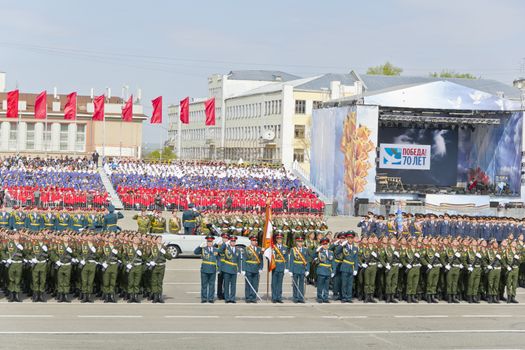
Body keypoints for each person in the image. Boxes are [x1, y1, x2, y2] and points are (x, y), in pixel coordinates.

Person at [146, 236, 173, 303]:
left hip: (161, 266)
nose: (160, 240)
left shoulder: (164, 248)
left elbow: (170, 257)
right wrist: (150, 262)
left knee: (160, 282)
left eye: (161, 239)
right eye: (158, 239)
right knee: (154, 282)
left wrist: (165, 253)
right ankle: (155, 297)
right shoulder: (152, 248)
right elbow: (147, 257)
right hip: (155, 267)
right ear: (155, 240)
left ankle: (159, 296)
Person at [194, 235, 220, 303]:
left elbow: (219, 259)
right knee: (204, 285)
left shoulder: (216, 250)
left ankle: (211, 298)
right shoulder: (203, 249)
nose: (209, 243)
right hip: (205, 269)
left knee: (212, 285)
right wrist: (200, 246)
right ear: (206, 242)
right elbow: (195, 252)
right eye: (208, 241)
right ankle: (204, 298)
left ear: (212, 242)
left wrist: (218, 268)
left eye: (211, 242)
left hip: (213, 269)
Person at [218, 235, 242, 303]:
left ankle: (232, 298)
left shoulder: (238, 250)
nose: (233, 242)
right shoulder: (226, 248)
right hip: (226, 269)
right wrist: (224, 244)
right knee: (226, 284)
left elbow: (239, 261)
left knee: (233, 285)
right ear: (230, 242)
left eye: (234, 241)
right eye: (232, 241)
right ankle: (227, 298)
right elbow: (219, 251)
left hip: (234, 269)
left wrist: (240, 270)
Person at [337, 231, 359, 303]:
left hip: (351, 267)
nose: (350, 240)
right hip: (345, 266)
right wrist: (341, 245)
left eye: (351, 238)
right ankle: (343, 297)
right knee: (344, 283)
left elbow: (356, 259)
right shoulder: (344, 247)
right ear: (347, 239)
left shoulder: (355, 248)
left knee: (350, 284)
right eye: (349, 238)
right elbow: (336, 252)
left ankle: (349, 297)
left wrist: (356, 269)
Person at [287, 235, 310, 303]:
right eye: (299, 242)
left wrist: (307, 269)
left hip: (302, 268)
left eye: (301, 242)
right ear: (296, 242)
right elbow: (291, 260)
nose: (300, 243)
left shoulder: (305, 249)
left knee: (301, 284)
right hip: (295, 268)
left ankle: (301, 297)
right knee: (295, 284)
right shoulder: (293, 250)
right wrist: (290, 270)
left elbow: (307, 260)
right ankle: (295, 297)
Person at [242, 235, 263, 303]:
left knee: (255, 284)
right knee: (248, 284)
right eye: (253, 240)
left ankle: (253, 297)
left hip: (256, 269)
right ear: (251, 241)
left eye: (256, 241)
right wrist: (243, 269)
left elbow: (261, 259)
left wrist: (260, 268)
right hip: (248, 268)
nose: (255, 242)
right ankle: (248, 298)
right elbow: (244, 259)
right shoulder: (246, 249)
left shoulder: (259, 249)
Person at [315, 237, 335, 303]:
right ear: (321, 245)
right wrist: (316, 251)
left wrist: (333, 270)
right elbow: (312, 256)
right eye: (324, 244)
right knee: (320, 285)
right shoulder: (319, 252)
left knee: (326, 286)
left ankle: (325, 297)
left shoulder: (331, 252)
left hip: (328, 270)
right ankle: (320, 297)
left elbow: (333, 262)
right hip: (321, 270)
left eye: (326, 244)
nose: (325, 245)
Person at [271, 232, 288, 303]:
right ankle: (274, 297)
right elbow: (270, 257)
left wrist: (286, 268)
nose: (279, 240)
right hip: (275, 266)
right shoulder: (273, 247)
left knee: (280, 283)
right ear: (276, 239)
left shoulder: (285, 247)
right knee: (274, 283)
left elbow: (286, 258)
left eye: (280, 239)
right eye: (278, 239)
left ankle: (279, 297)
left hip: (281, 267)